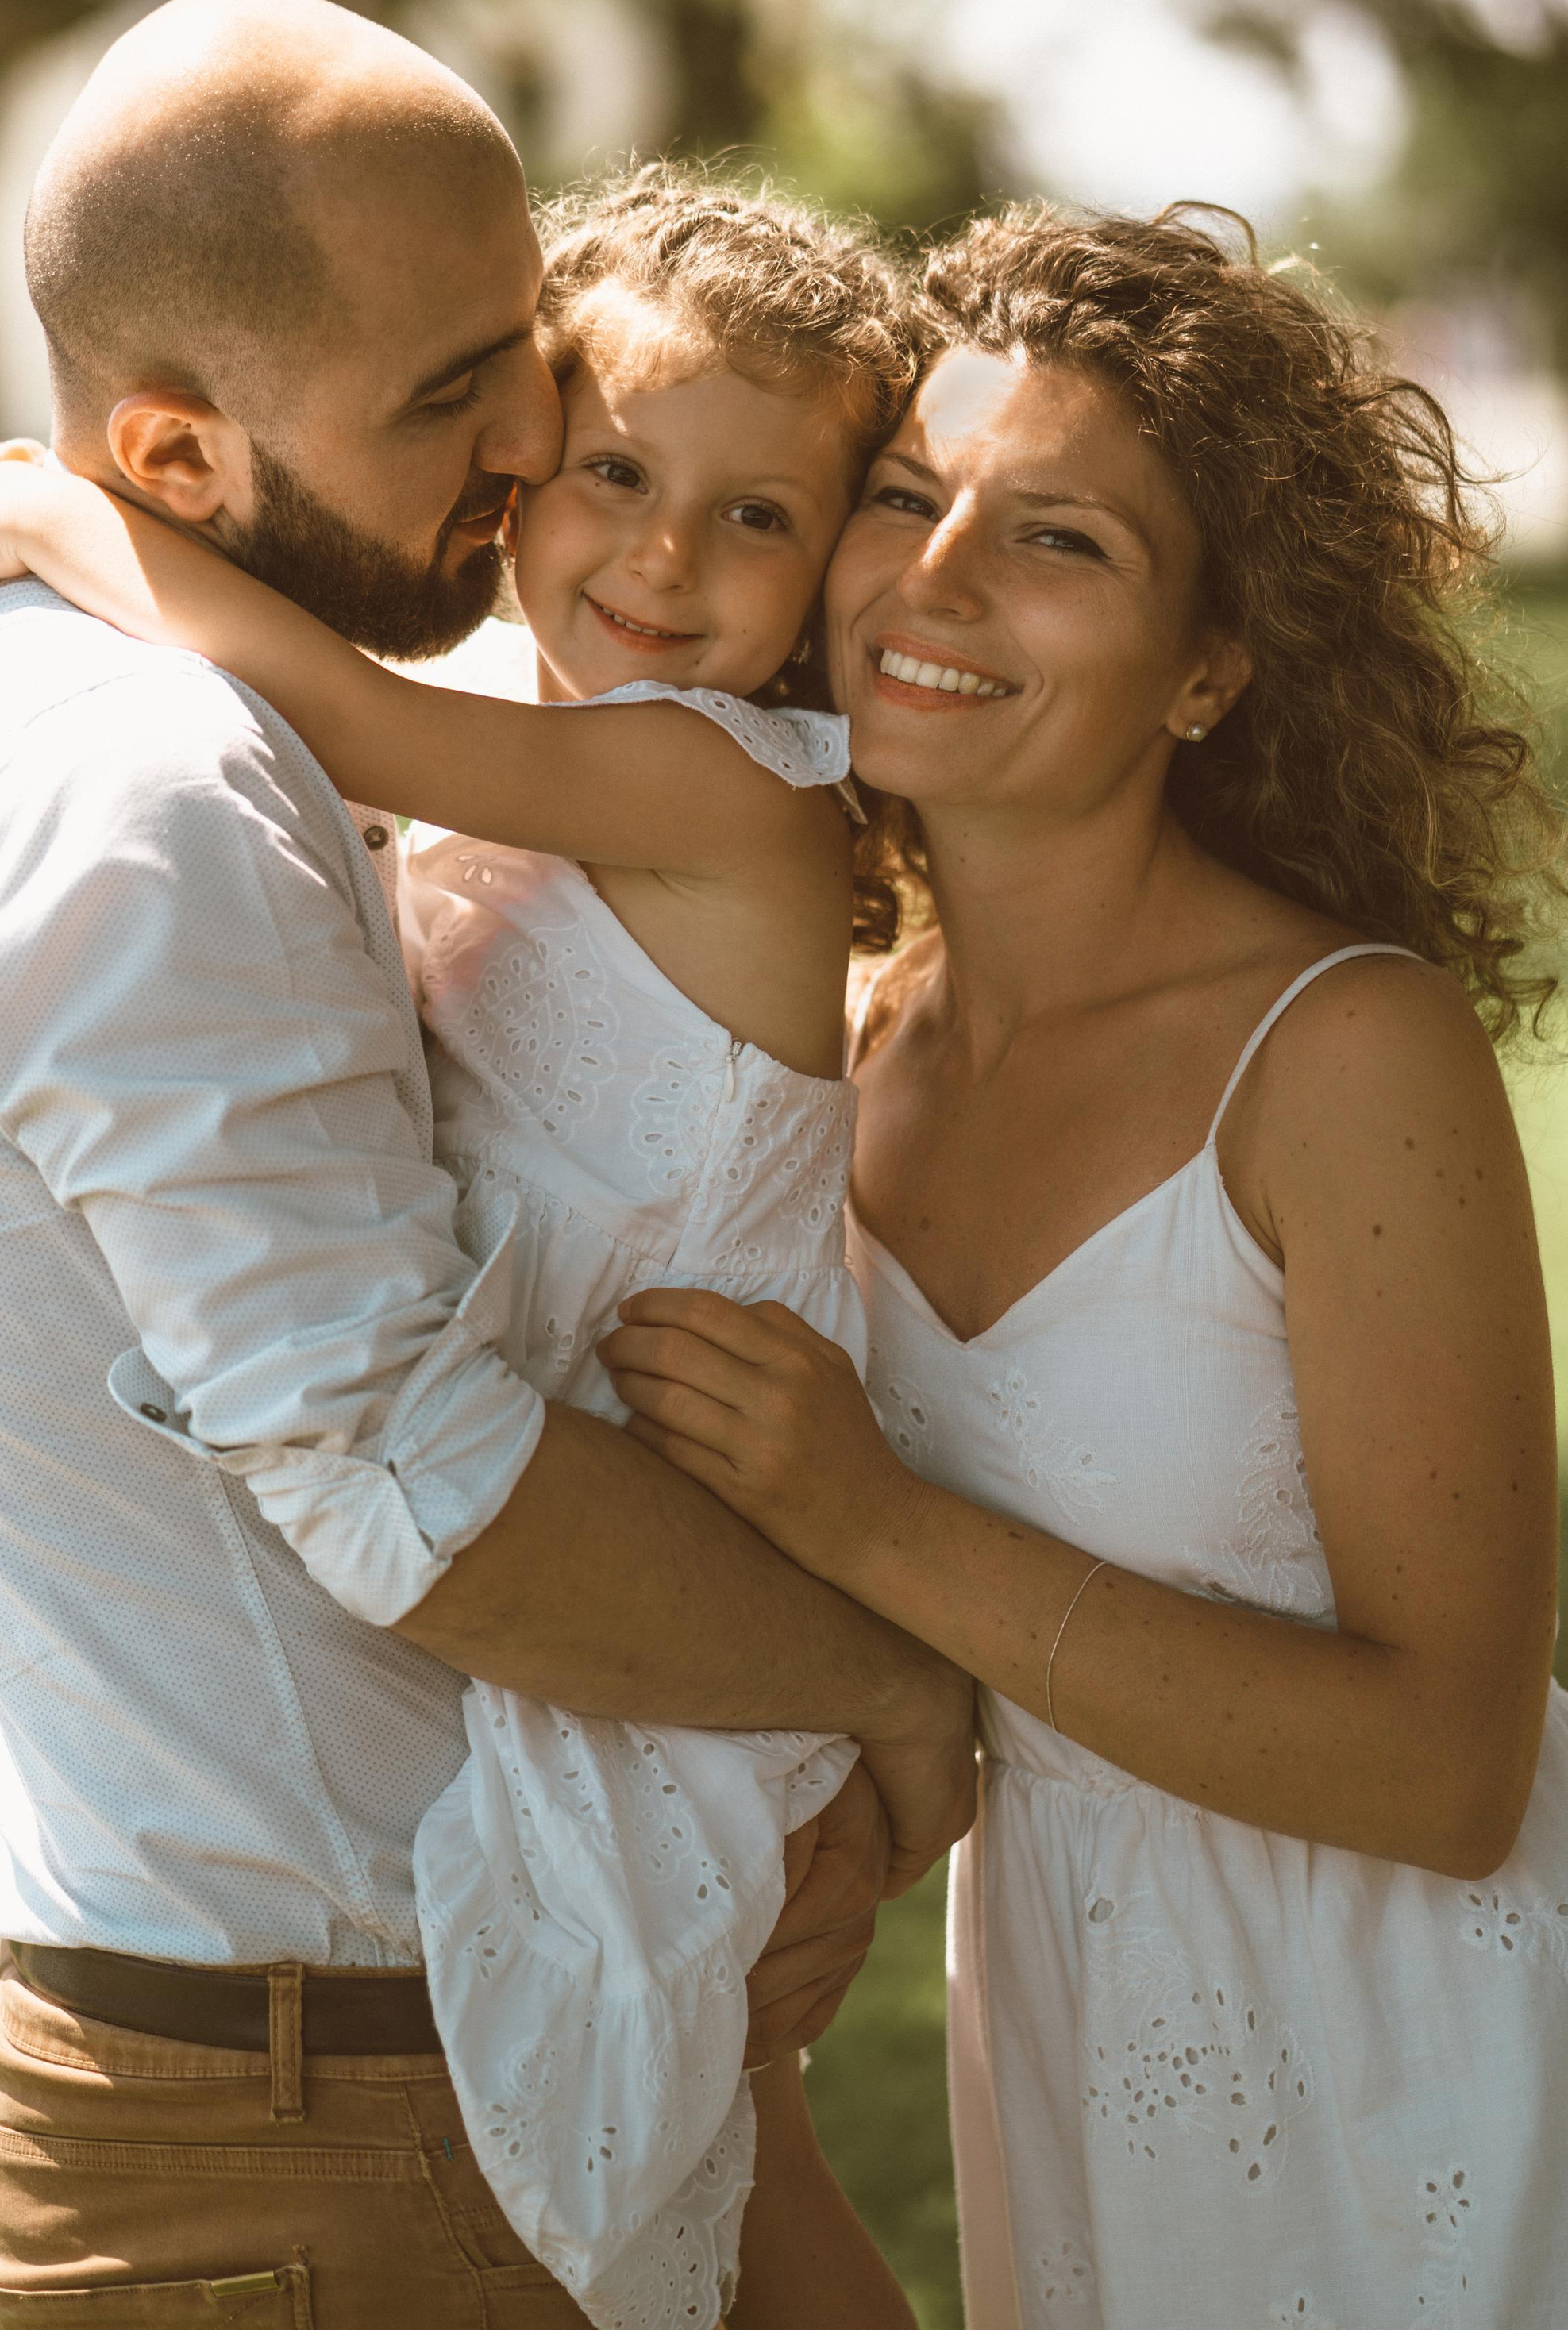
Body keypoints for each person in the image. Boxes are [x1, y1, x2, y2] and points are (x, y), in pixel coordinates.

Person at [0, 0, 973, 2330]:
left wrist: (48, 514)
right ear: (180, 445)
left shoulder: (207, 734)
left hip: (392, 2027)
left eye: (522, 347)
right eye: (462, 392)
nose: (539, 434)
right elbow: (422, 1489)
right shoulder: (153, 785)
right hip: (319, 2108)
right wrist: (891, 1683)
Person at [602, 203, 1568, 2328]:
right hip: (1076, 2041)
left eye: (1060, 542)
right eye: (910, 498)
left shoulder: (1340, 1056)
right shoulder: (839, 1047)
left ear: (1214, 669)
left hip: (1426, 2076)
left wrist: (879, 1518)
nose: (932, 584)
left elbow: (1452, 1764)